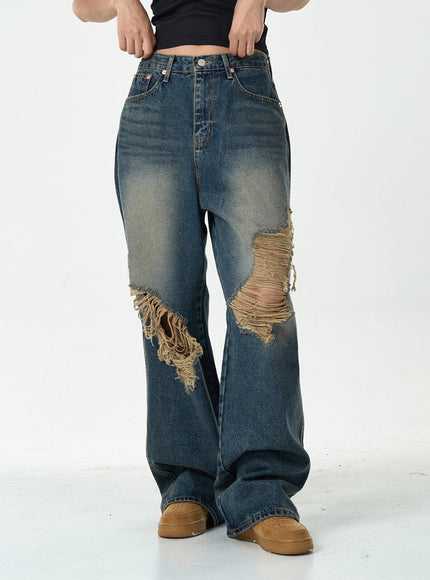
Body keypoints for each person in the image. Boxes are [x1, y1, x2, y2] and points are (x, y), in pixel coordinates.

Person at [72, 0, 313, 556]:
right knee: (165, 301)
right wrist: (124, 3)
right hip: (156, 101)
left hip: (244, 92)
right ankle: (188, 482)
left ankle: (263, 489)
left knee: (263, 298)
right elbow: (84, 8)